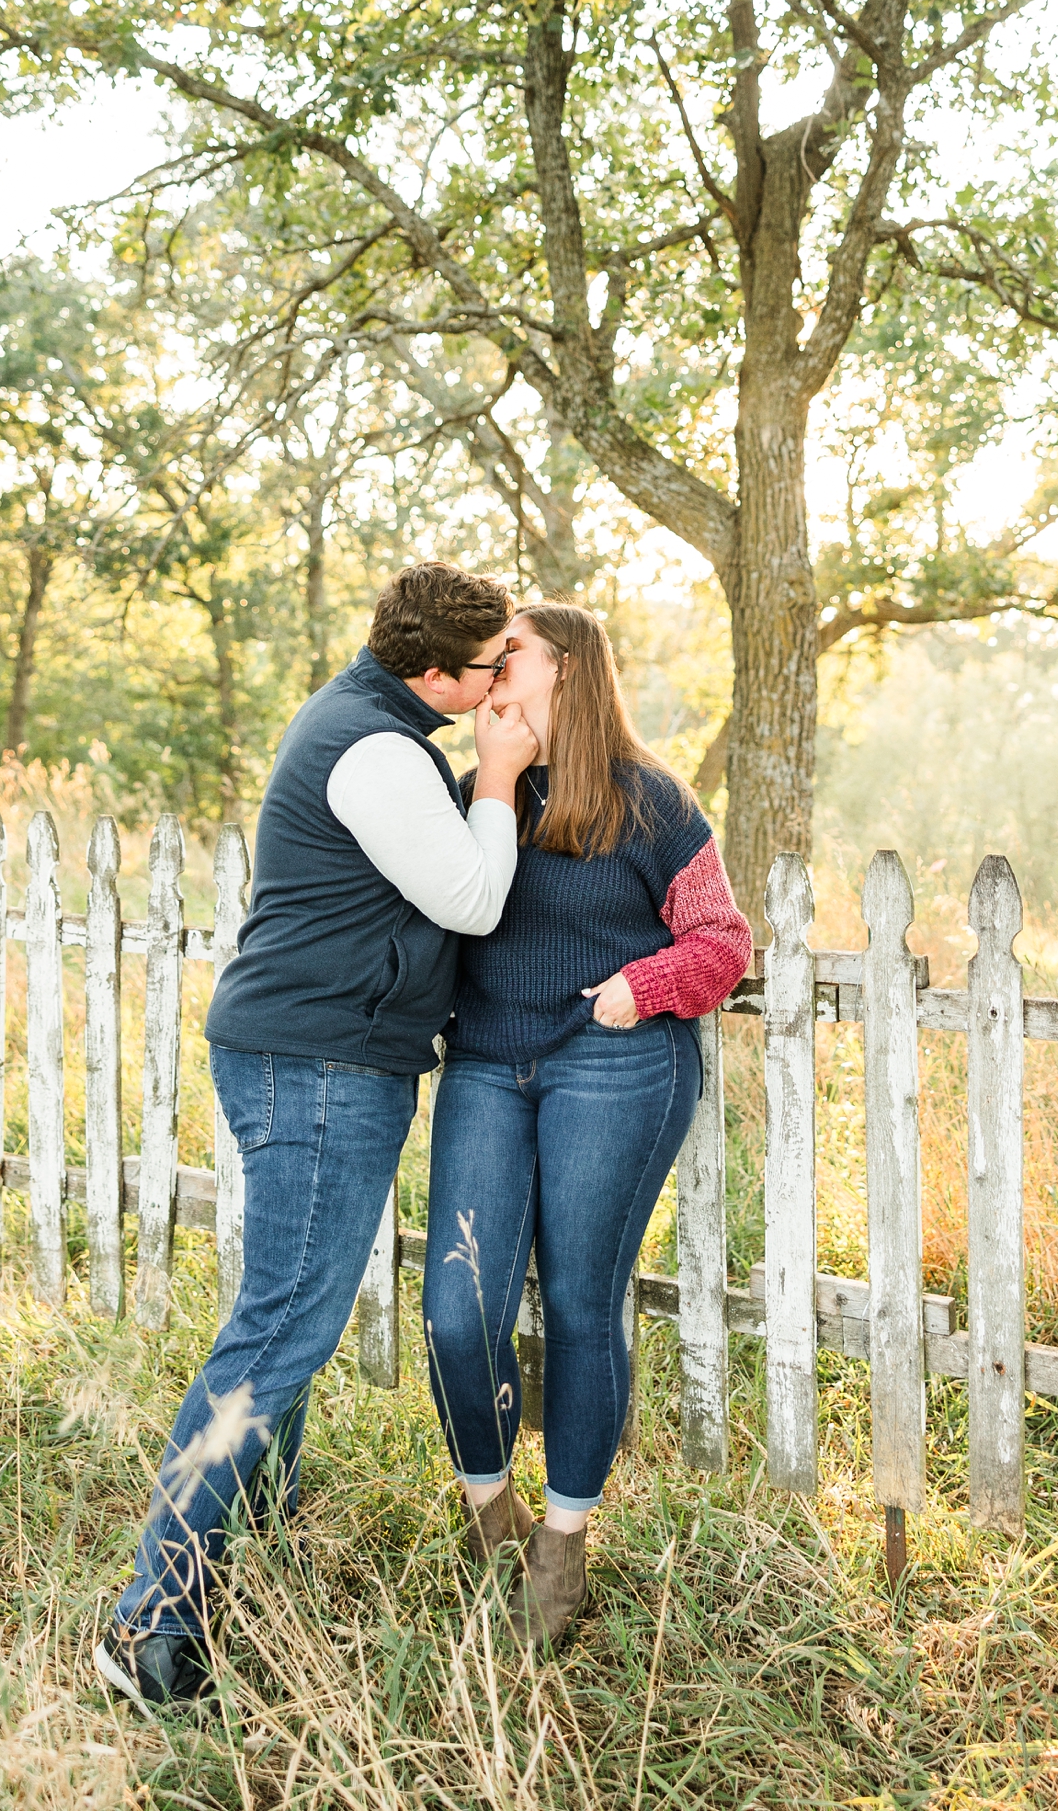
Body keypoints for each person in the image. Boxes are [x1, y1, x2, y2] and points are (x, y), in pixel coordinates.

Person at [97, 561, 539, 1717]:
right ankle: (155, 1610)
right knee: (280, 1330)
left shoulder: (385, 727)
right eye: (493, 671)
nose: (505, 690)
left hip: (329, 1056)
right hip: (318, 1065)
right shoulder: (381, 752)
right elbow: (472, 900)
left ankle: (254, 1549)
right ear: (435, 672)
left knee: (287, 1318)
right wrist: (496, 774)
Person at [421, 603, 752, 1649]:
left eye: (509, 648)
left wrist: (644, 987)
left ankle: (563, 1542)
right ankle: (491, 1513)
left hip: (611, 1059)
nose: (491, 663)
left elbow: (723, 942)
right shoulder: (475, 790)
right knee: (457, 1311)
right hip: (484, 1060)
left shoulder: (649, 800)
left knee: (578, 1300)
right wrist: (491, 781)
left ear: (567, 668)